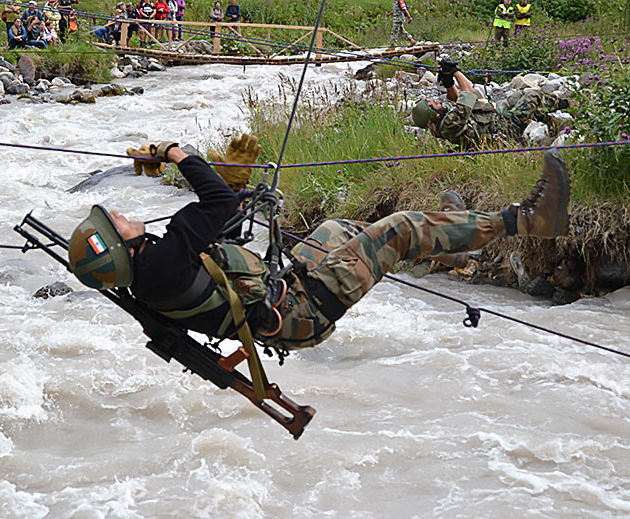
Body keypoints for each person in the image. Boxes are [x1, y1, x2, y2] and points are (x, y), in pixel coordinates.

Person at [67, 138, 570, 353]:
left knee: (336, 229)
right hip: (302, 310)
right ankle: (528, 220)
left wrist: (231, 185)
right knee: (398, 229)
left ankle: (455, 247)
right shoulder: (162, 261)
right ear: (121, 251)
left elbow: (221, 223)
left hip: (279, 290)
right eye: (115, 223)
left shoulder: (152, 271)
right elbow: (215, 204)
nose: (118, 214)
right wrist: (179, 153)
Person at [411, 60, 568, 147]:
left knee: (517, 96)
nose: (438, 100)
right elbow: (469, 93)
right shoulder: (450, 124)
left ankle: (550, 121)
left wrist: (448, 81)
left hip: (498, 117)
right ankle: (564, 104)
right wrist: (455, 71)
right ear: (435, 114)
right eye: (434, 103)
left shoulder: (444, 120)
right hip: (506, 128)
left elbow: (454, 99)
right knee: (532, 98)